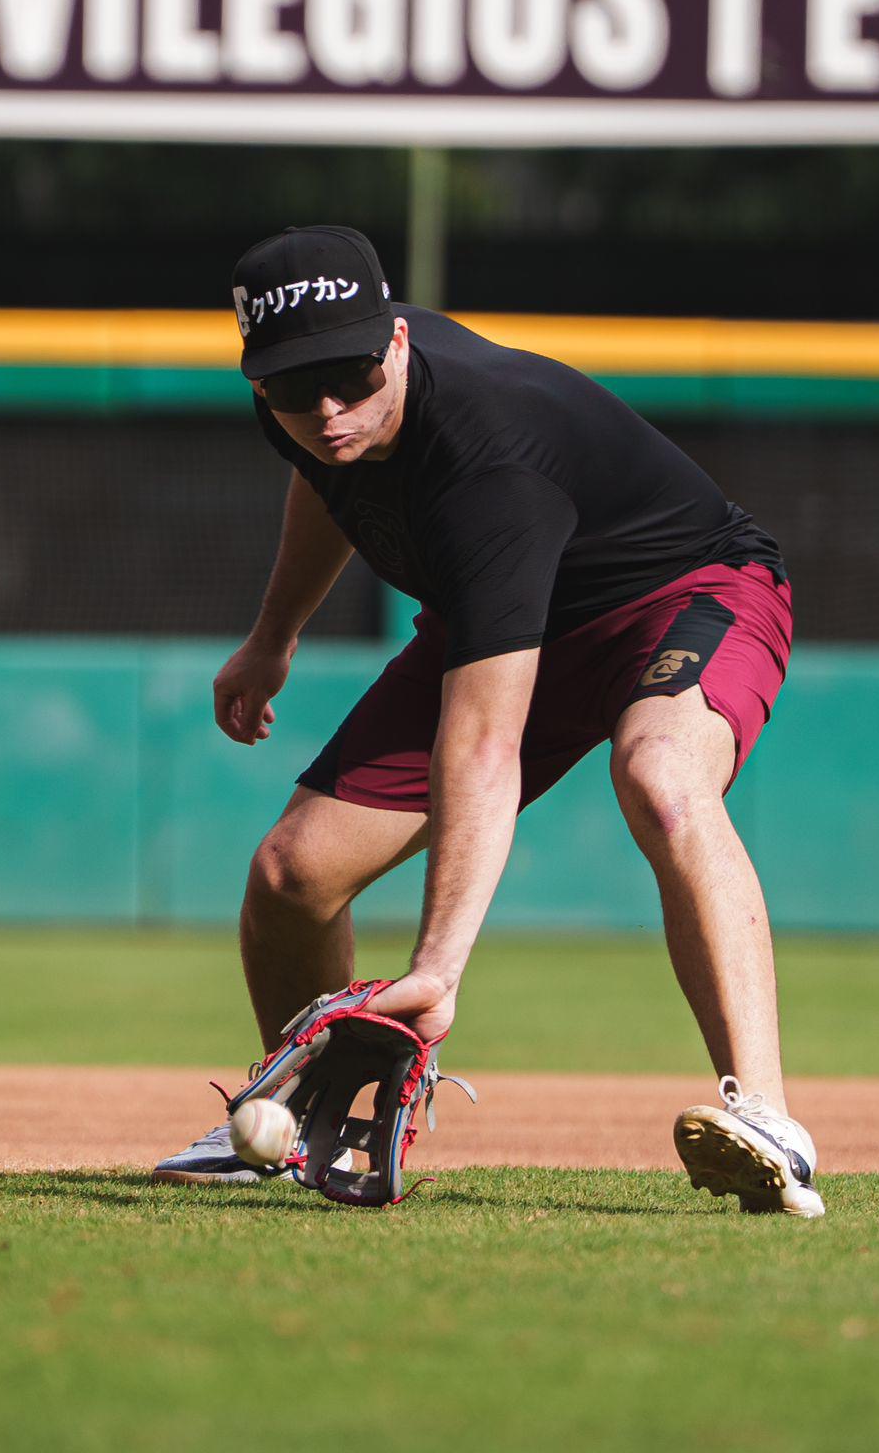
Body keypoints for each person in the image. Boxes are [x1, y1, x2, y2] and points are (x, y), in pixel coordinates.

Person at [153, 225, 824, 1217]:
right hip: (511, 611)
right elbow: (325, 482)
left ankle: (767, 1116)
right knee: (292, 875)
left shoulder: (487, 459)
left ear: (393, 341)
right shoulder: (303, 402)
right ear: (259, 379)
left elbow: (479, 746)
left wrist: (437, 968)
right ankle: (305, 1118)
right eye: (296, 390)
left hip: (680, 591)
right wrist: (272, 636)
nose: (329, 411)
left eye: (348, 377)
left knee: (661, 777)